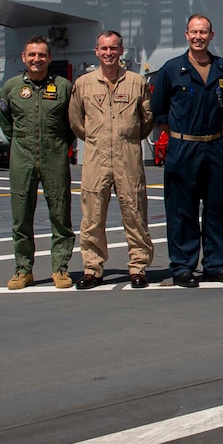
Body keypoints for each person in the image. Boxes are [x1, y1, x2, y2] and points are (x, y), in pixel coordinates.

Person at [150, 15, 223, 288]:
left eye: (204, 32)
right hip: (183, 147)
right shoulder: (171, 69)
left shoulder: (222, 67)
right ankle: (183, 266)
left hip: (214, 145)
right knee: (182, 209)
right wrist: (180, 135)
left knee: (217, 209)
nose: (199, 37)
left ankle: (215, 265)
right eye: (194, 32)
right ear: (186, 35)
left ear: (211, 35)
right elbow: (159, 109)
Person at [69, 30, 156, 290]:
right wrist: (96, 138)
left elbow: (146, 120)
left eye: (114, 48)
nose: (109, 53)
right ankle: (92, 269)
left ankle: (138, 267)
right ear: (96, 51)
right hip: (96, 158)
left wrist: (125, 139)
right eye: (104, 48)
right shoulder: (83, 84)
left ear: (121, 51)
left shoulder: (136, 82)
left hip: (127, 157)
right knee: (93, 216)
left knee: (135, 213)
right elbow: (76, 120)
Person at [0, 36, 76, 290]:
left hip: (55, 156)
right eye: (32, 54)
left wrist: (58, 145)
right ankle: (23, 270)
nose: (36, 59)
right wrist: (20, 145)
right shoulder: (11, 88)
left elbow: (72, 124)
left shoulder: (64, 87)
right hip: (22, 157)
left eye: (42, 55)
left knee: (60, 216)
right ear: (24, 57)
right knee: (21, 217)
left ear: (49, 58)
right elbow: (6, 122)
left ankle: (60, 269)